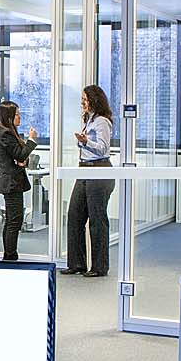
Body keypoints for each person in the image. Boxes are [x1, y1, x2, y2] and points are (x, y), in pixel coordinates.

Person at [65, 84, 114, 277]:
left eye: (85, 99)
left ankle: (99, 267)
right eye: (82, 100)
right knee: (74, 215)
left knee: (97, 219)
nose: (82, 103)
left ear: (94, 100)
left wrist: (86, 141)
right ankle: (76, 264)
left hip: (99, 170)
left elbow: (102, 148)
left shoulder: (102, 122)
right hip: (84, 169)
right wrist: (83, 141)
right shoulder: (89, 120)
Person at [0, 100, 38, 261]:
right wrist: (32, 140)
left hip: (13, 181)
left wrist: (21, 160)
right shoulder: (5, 133)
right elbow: (20, 154)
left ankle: (9, 255)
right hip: (11, 182)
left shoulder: (6, 132)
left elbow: (17, 155)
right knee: (14, 221)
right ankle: (10, 256)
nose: (20, 117)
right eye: (17, 114)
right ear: (9, 116)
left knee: (12, 220)